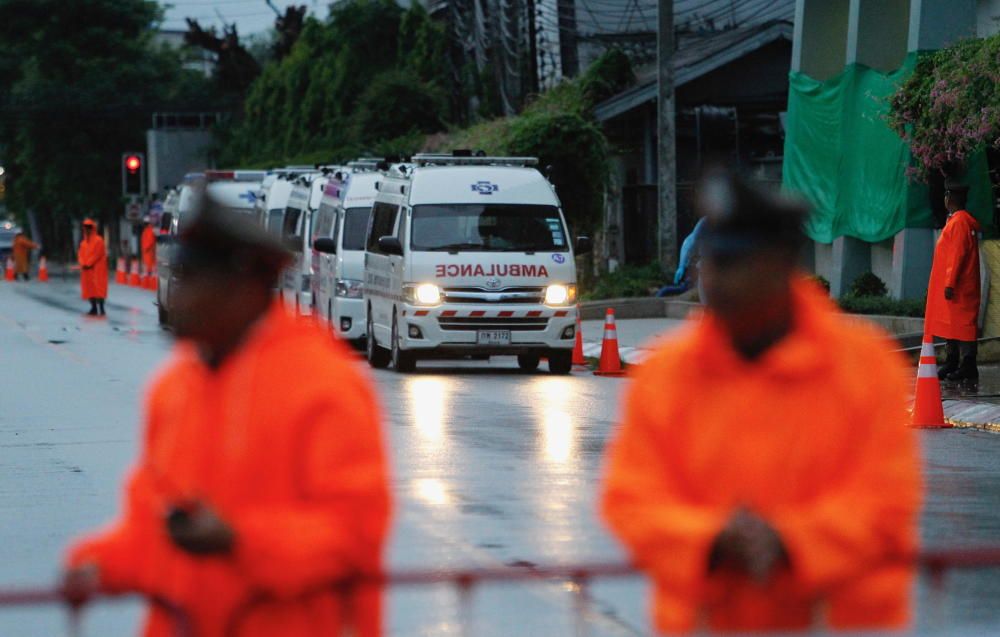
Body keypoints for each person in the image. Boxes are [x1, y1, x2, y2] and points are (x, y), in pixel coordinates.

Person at [600, 167, 921, 634]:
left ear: (778, 266)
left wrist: (792, 543)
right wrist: (711, 540)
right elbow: (631, 499)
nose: (715, 279)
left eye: (732, 263)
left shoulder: (864, 367)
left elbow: (885, 500)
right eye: (710, 262)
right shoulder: (667, 374)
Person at [63, 198, 392, 637]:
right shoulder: (175, 386)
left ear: (243, 288)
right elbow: (152, 530)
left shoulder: (323, 384)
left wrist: (238, 541)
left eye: (190, 282)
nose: (175, 298)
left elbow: (353, 535)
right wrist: (97, 564)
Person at [926, 180, 981, 385]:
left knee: (963, 325)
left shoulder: (959, 223)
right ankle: (953, 361)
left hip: (958, 286)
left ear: (950, 199)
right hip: (958, 285)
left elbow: (956, 256)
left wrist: (949, 283)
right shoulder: (957, 221)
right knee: (954, 325)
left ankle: (967, 365)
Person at [77, 218, 108, 316]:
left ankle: (101, 308)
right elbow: (80, 255)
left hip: (97, 269)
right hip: (87, 270)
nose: (87, 229)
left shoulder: (99, 240)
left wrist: (88, 264)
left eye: (89, 227)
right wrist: (83, 263)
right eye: (85, 227)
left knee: (99, 289)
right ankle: (93, 307)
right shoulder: (83, 243)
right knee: (89, 289)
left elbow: (98, 254)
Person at [140, 216, 157, 281]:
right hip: (146, 251)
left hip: (148, 251)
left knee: (149, 265)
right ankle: (147, 279)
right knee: (147, 265)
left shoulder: (149, 230)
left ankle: (150, 279)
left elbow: (150, 241)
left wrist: (145, 248)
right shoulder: (146, 230)